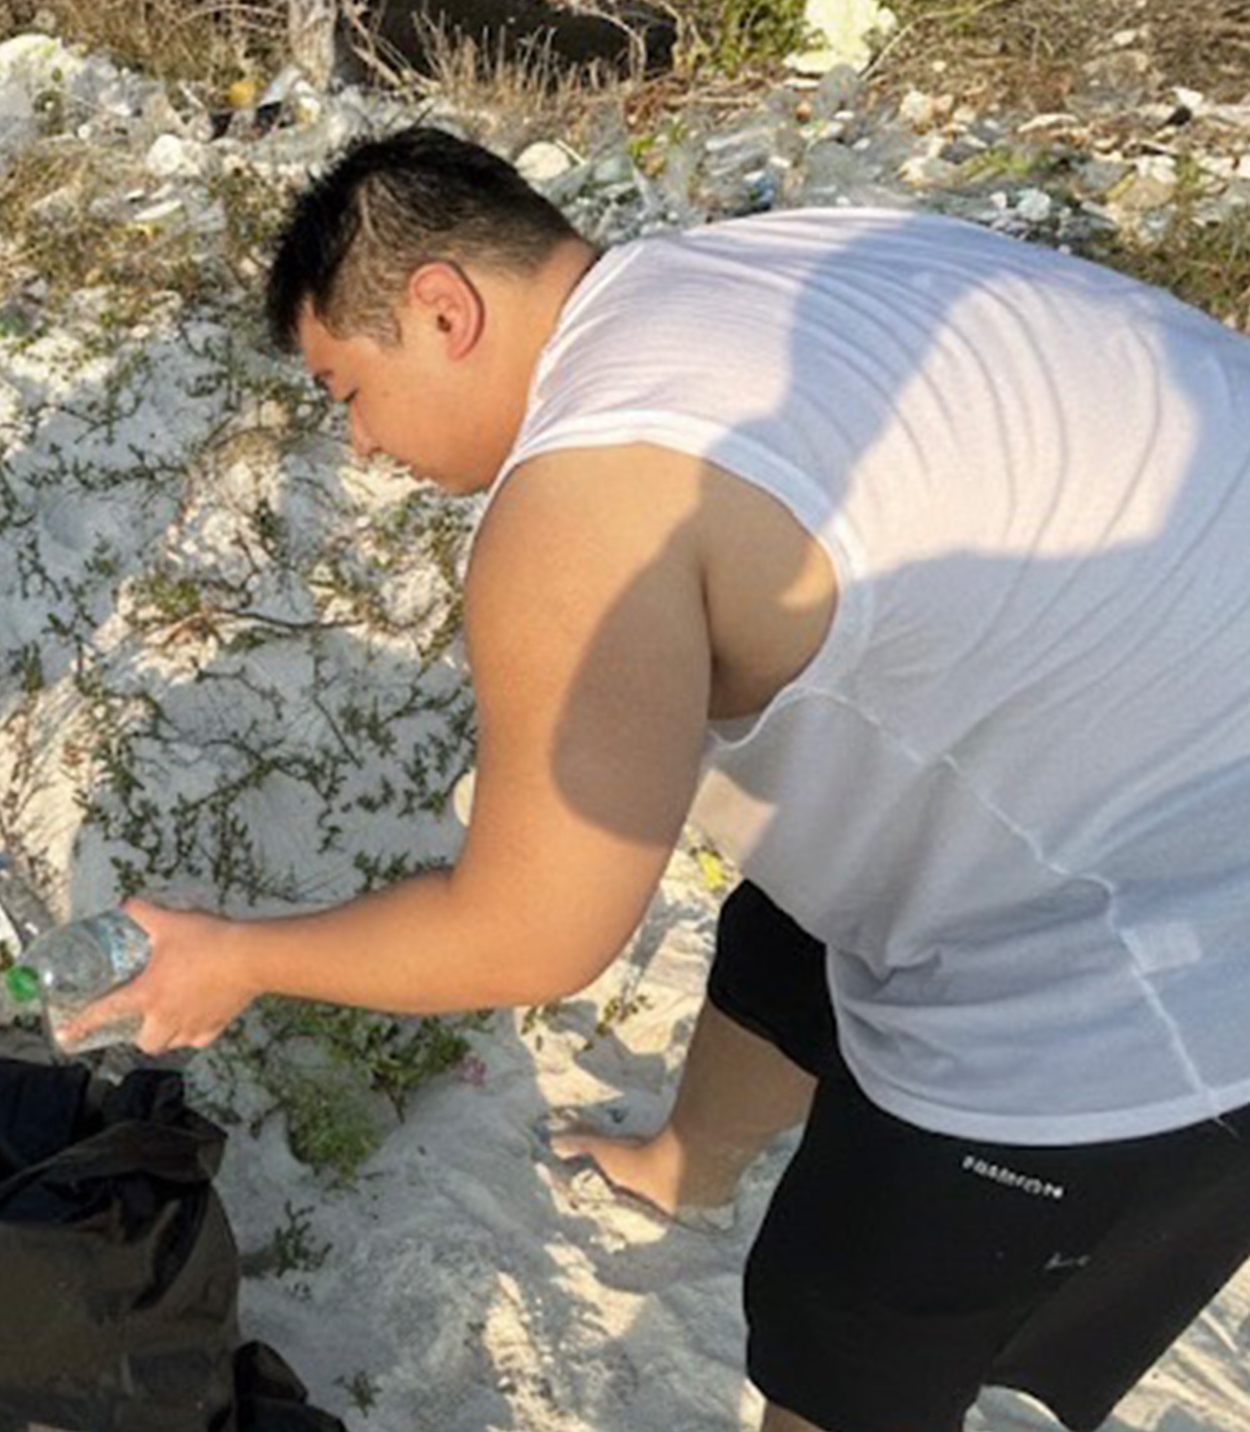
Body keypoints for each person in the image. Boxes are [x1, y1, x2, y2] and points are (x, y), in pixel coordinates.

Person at [69, 127, 1250, 1432]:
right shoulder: (744, 267)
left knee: (851, 1320)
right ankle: (684, 1161)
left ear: (443, 310)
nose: (357, 444)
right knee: (793, 905)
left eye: (346, 389)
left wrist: (239, 955)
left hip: (1164, 949)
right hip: (1155, 699)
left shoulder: (584, 502)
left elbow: (532, 935)